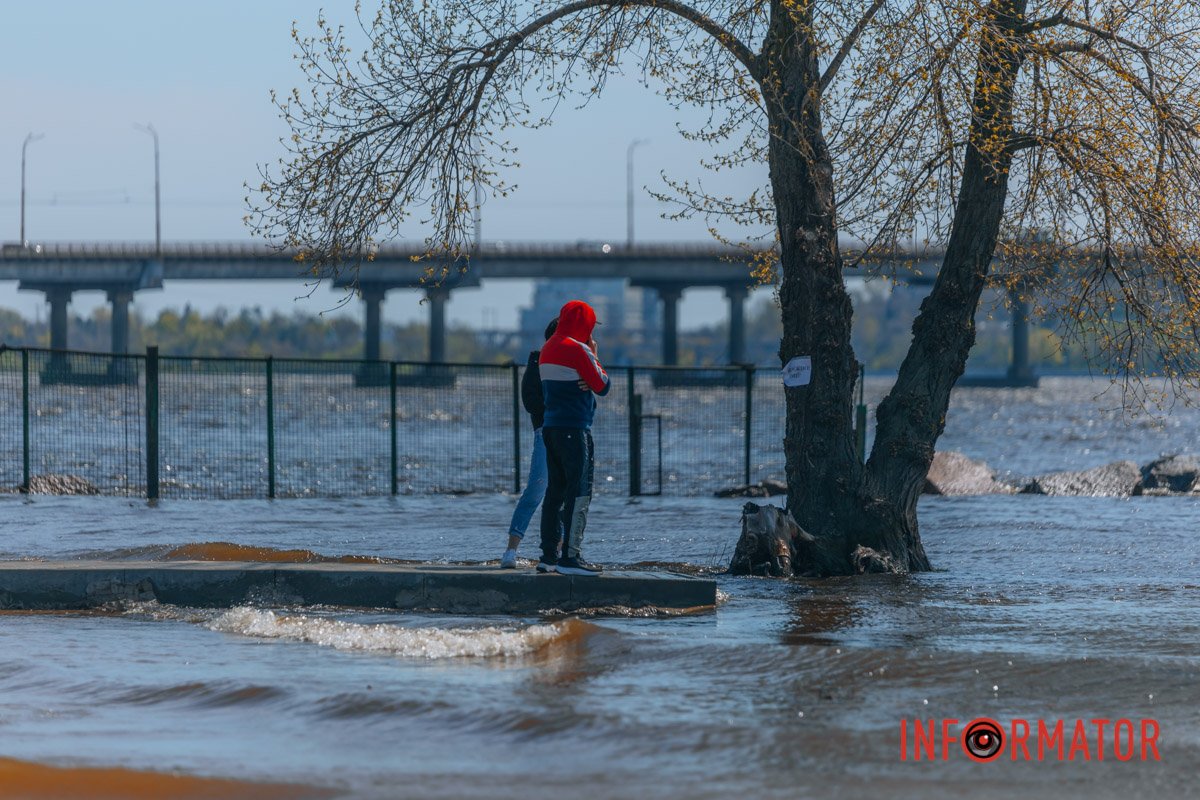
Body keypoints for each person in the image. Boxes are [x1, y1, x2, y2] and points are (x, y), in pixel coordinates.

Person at [537, 299, 609, 576]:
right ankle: (571, 558)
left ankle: (548, 556)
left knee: (554, 493)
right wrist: (593, 355)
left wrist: (584, 376)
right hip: (575, 428)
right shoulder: (578, 349)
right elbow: (602, 386)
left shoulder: (548, 348)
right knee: (579, 491)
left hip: (551, 427)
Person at [499, 318, 558, 569]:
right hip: (545, 432)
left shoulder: (578, 362)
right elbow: (531, 401)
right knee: (536, 490)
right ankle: (511, 550)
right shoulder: (537, 361)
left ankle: (559, 554)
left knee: (566, 496)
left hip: (572, 432)